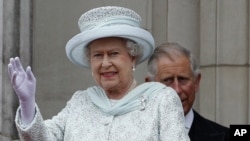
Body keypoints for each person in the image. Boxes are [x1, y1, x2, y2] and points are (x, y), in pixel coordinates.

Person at [8, 6, 190, 140]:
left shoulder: (161, 101)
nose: (105, 63)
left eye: (114, 54)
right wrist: (27, 103)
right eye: (97, 55)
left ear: (132, 57)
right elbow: (43, 138)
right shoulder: (80, 103)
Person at [146, 42, 230, 141]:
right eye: (167, 80)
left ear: (196, 82)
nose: (176, 90)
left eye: (183, 79)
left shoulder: (226, 136)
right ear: (150, 86)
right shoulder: (130, 134)